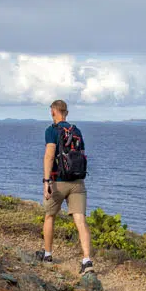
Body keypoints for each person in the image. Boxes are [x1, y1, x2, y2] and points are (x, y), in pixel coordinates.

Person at [39, 99, 93, 273]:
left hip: (57, 181)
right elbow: (82, 155)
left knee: (50, 216)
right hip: (77, 182)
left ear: (53, 111)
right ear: (66, 112)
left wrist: (46, 181)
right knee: (80, 219)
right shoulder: (76, 131)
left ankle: (47, 255)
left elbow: (49, 155)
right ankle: (86, 260)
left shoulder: (51, 131)